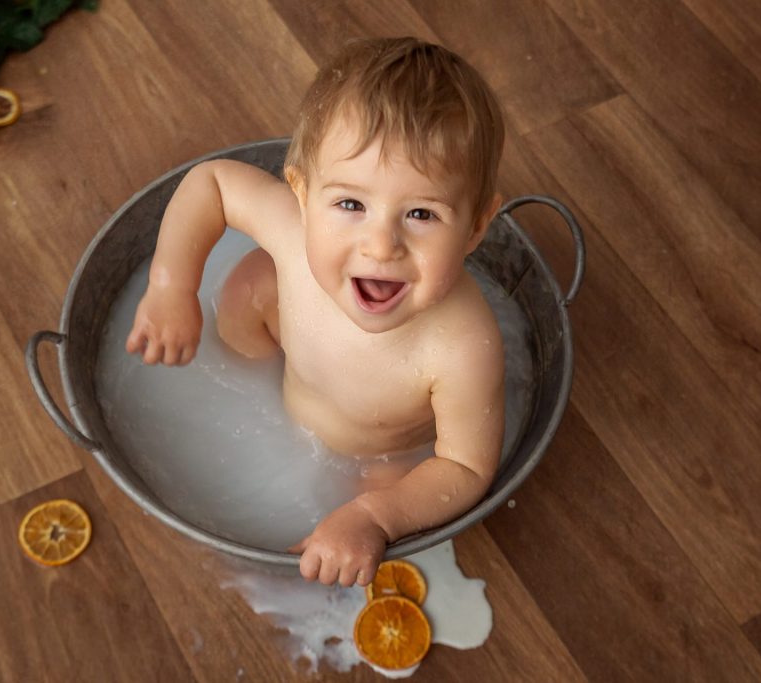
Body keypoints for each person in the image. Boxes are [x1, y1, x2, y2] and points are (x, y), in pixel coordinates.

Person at [126, 37, 506, 588]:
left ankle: (364, 516)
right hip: (290, 367)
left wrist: (376, 515)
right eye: (351, 204)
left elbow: (466, 467)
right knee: (254, 283)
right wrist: (170, 288)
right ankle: (245, 359)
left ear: (476, 226)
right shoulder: (290, 224)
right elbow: (210, 184)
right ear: (302, 194)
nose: (381, 245)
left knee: (385, 500)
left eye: (421, 213)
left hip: (378, 453)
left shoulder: (463, 347)